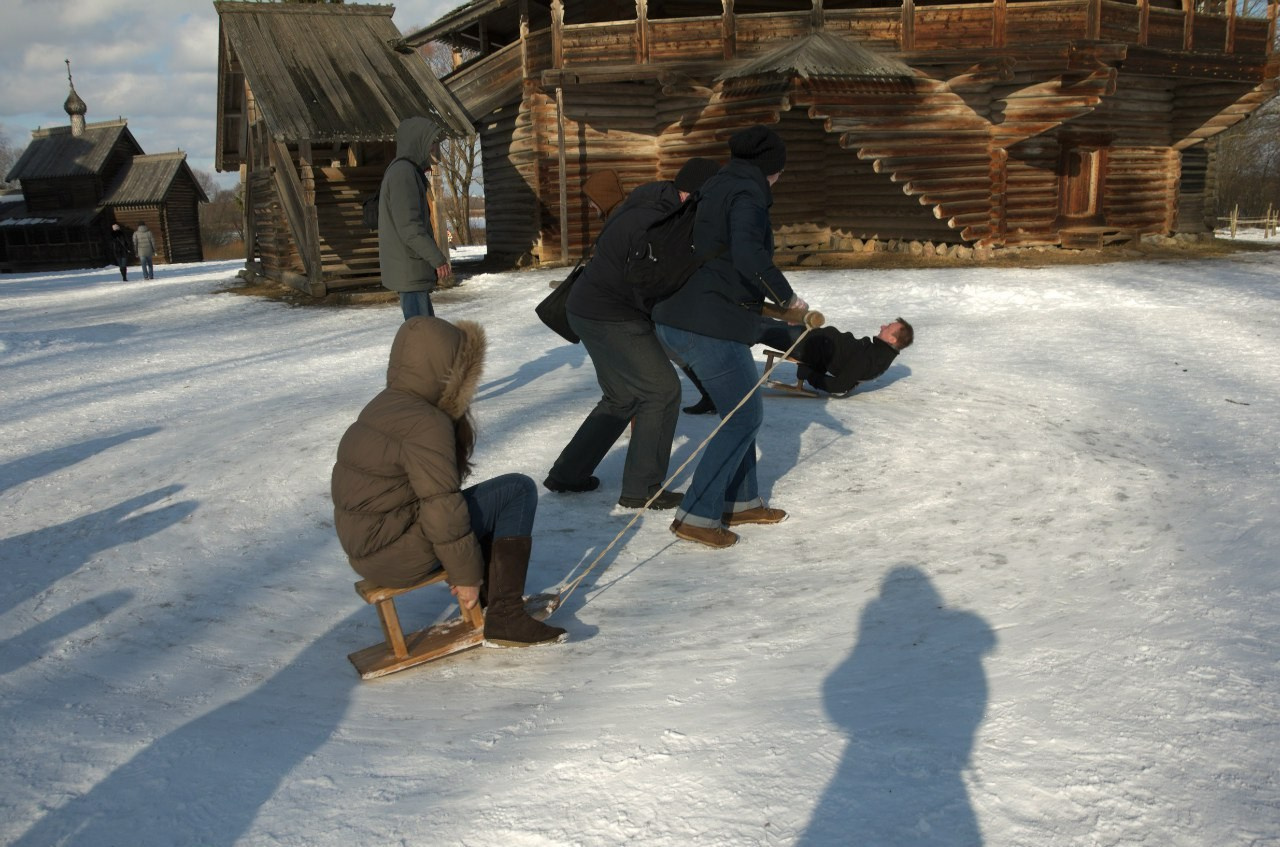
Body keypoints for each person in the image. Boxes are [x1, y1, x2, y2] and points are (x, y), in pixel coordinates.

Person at [331, 316, 566, 647]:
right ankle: (506, 617)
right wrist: (465, 575)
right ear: (450, 373)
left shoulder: (384, 407)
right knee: (517, 490)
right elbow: (441, 506)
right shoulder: (424, 423)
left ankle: (492, 595)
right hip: (395, 554)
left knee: (486, 498)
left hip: (370, 551)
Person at [651, 125, 806, 549]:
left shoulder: (717, 184)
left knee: (739, 410)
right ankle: (697, 515)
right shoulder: (747, 193)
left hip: (684, 314)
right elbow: (748, 253)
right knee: (744, 416)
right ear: (771, 167)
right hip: (705, 321)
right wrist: (788, 298)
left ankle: (740, 500)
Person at [544, 158, 722, 509]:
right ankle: (642, 488)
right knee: (662, 391)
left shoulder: (653, 204)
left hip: (588, 309)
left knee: (622, 397)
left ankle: (568, 474)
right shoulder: (656, 221)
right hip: (611, 315)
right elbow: (650, 280)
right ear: (696, 195)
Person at [379, 116, 451, 320]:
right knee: (422, 338)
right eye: (432, 143)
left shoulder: (407, 171)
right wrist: (437, 259)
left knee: (426, 335)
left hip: (412, 270)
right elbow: (410, 227)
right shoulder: (403, 173)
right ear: (418, 141)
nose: (434, 149)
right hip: (410, 270)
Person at [758, 317, 914, 394]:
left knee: (758, 329)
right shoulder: (877, 354)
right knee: (761, 323)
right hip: (811, 338)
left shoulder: (871, 359)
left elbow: (841, 385)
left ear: (892, 339)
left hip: (806, 345)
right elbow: (849, 373)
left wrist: (809, 374)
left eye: (888, 327)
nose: (883, 325)